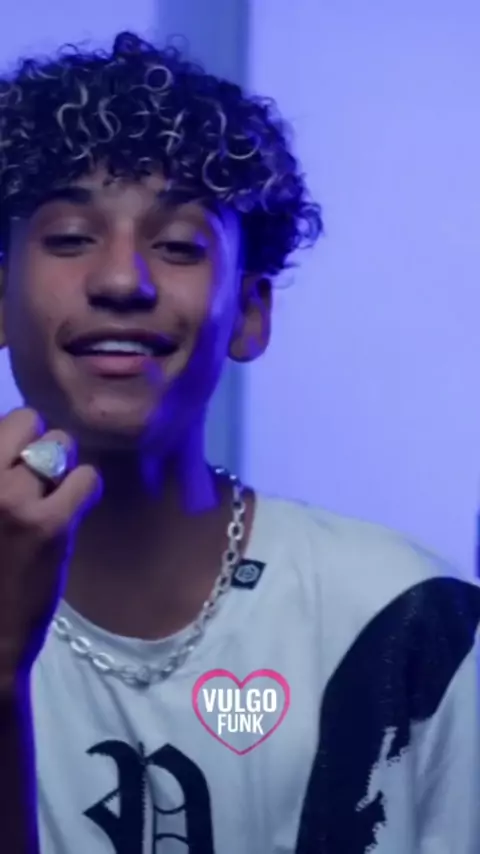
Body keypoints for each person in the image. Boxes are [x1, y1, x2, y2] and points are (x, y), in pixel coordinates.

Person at [0, 30, 478, 854]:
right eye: (71, 237)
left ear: (250, 312)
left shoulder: (408, 619)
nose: (121, 280)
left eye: (179, 245)